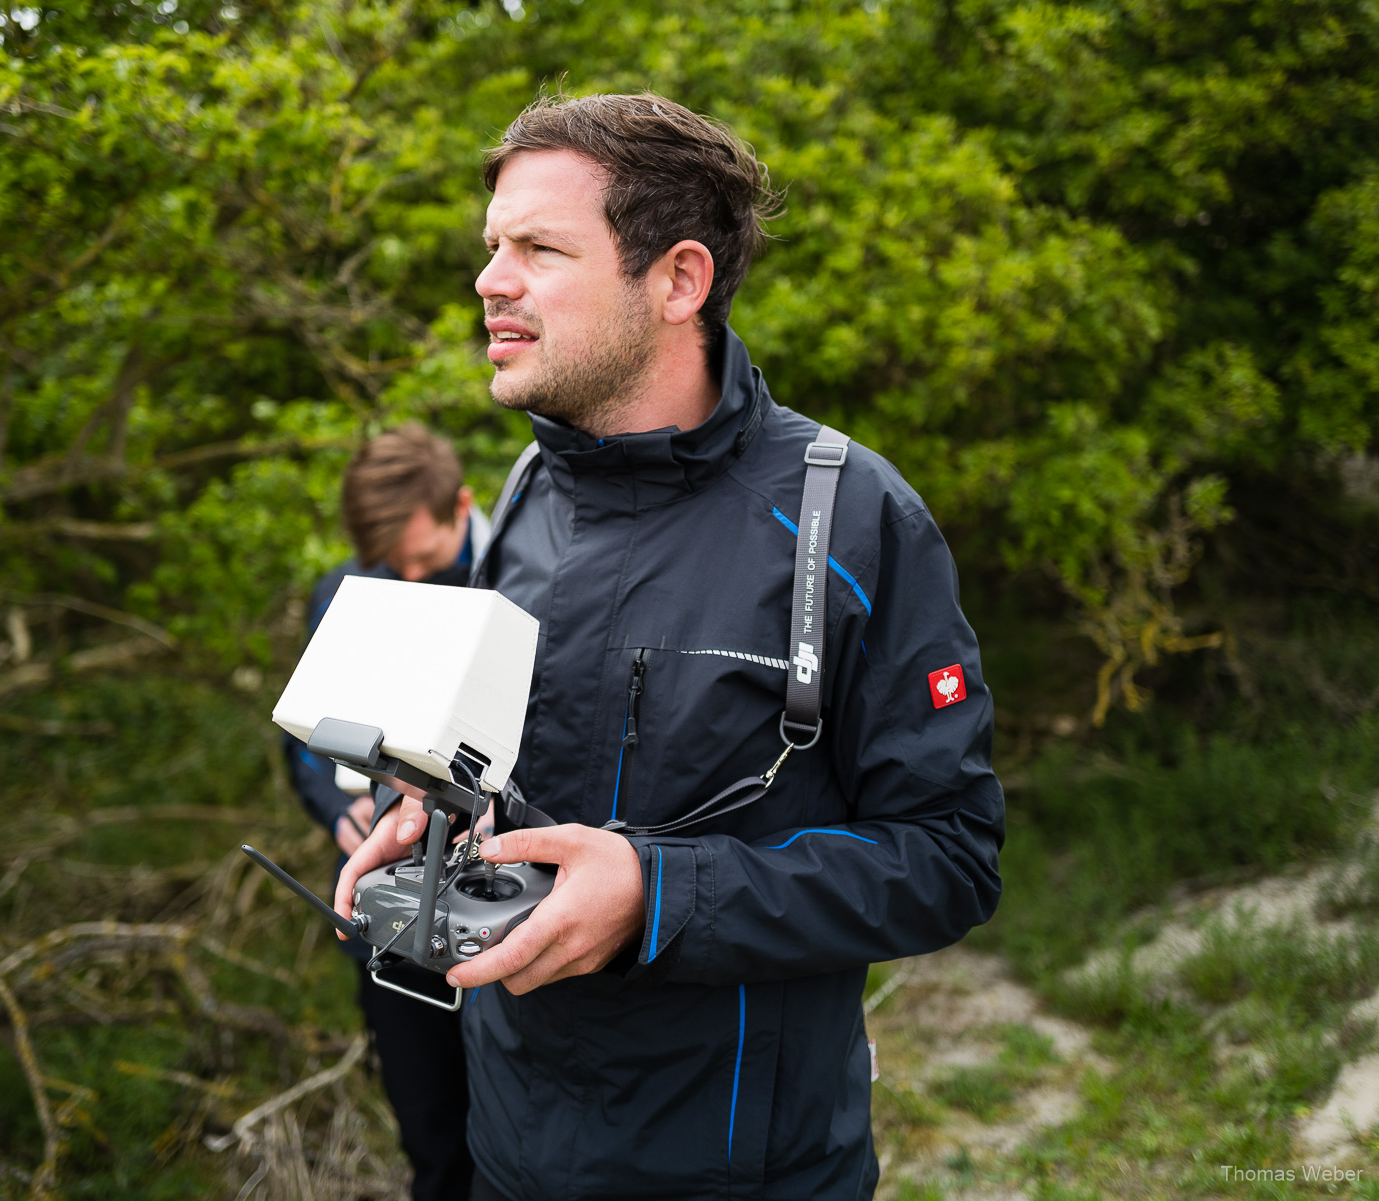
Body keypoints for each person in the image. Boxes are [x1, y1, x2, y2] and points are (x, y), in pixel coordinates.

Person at [335, 94, 1005, 1200]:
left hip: (750, 1172)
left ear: (680, 281)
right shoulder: (525, 493)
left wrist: (658, 894)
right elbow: (514, 775)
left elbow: (949, 858)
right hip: (510, 1155)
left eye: (538, 248)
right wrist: (437, 811)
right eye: (492, 247)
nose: (489, 281)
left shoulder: (854, 521)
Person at [283, 423, 488, 1201]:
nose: (406, 576)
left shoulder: (519, 583)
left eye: (421, 558)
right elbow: (305, 746)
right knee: (432, 1143)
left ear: (462, 505)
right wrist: (332, 815)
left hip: (493, 911)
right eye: (387, 564)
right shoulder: (342, 591)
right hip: (384, 922)